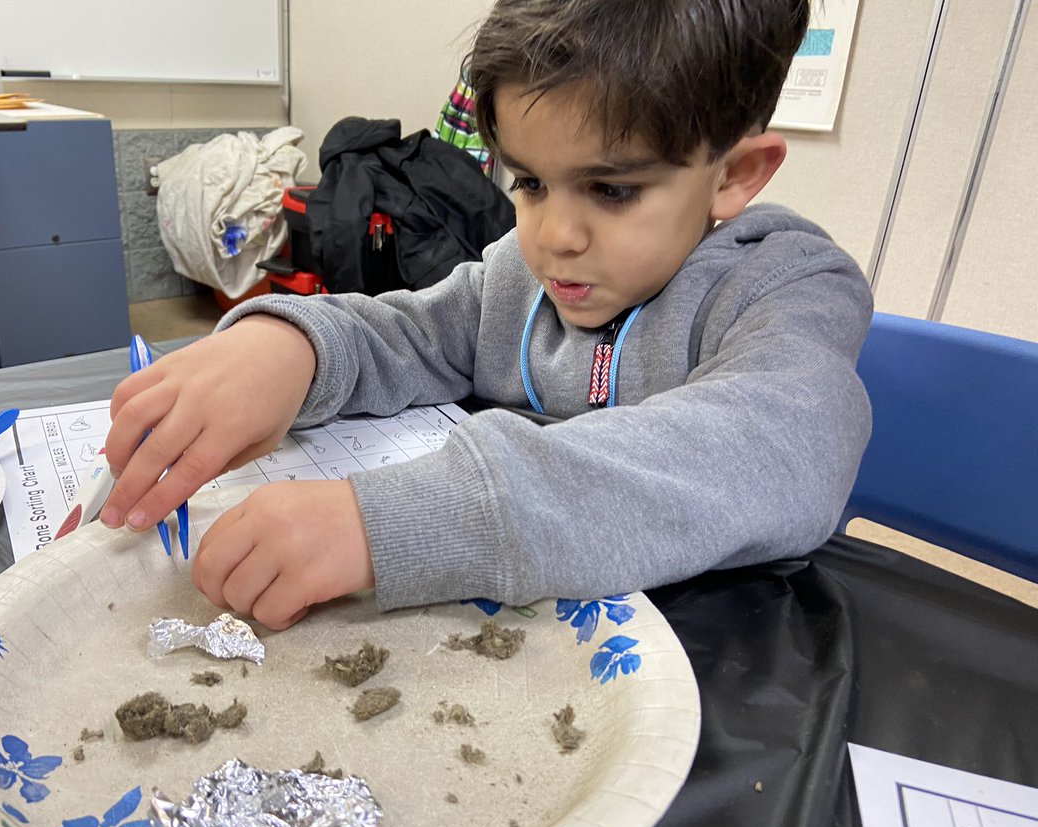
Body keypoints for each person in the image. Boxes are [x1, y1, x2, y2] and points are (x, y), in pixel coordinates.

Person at [102, 0, 872, 631]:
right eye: (531, 182)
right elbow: (410, 331)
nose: (554, 237)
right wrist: (289, 347)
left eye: (612, 190)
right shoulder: (519, 275)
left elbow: (781, 447)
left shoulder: (787, 286)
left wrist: (399, 521)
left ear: (735, 174)